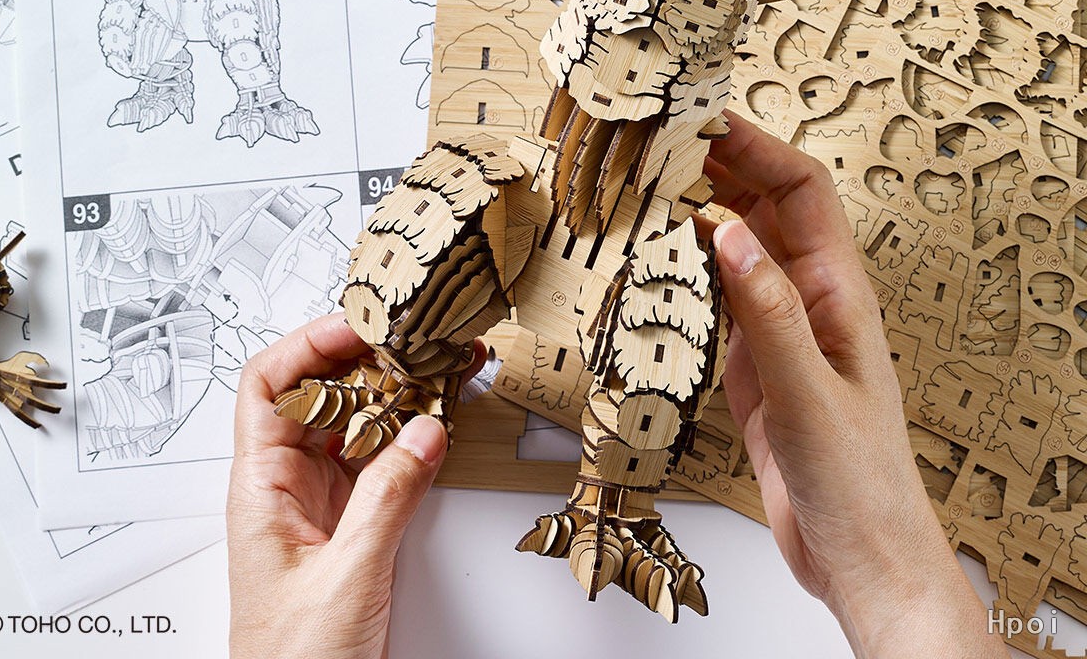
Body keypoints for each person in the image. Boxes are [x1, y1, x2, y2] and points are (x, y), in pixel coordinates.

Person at [227, 112, 1007, 659]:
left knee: (667, 310)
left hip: (644, 222)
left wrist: (885, 576)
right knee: (443, 216)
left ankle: (610, 505)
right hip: (539, 190)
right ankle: (404, 377)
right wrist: (895, 587)